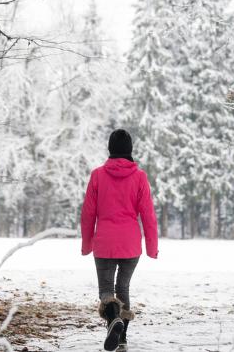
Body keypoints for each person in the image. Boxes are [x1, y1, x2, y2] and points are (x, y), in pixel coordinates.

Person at [80, 129, 159, 351]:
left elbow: (88, 214)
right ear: (130, 149)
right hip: (130, 244)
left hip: (104, 242)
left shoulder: (97, 175)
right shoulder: (140, 177)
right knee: (123, 288)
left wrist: (87, 244)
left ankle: (113, 319)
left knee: (106, 290)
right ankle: (122, 337)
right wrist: (152, 248)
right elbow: (148, 215)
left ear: (110, 149)